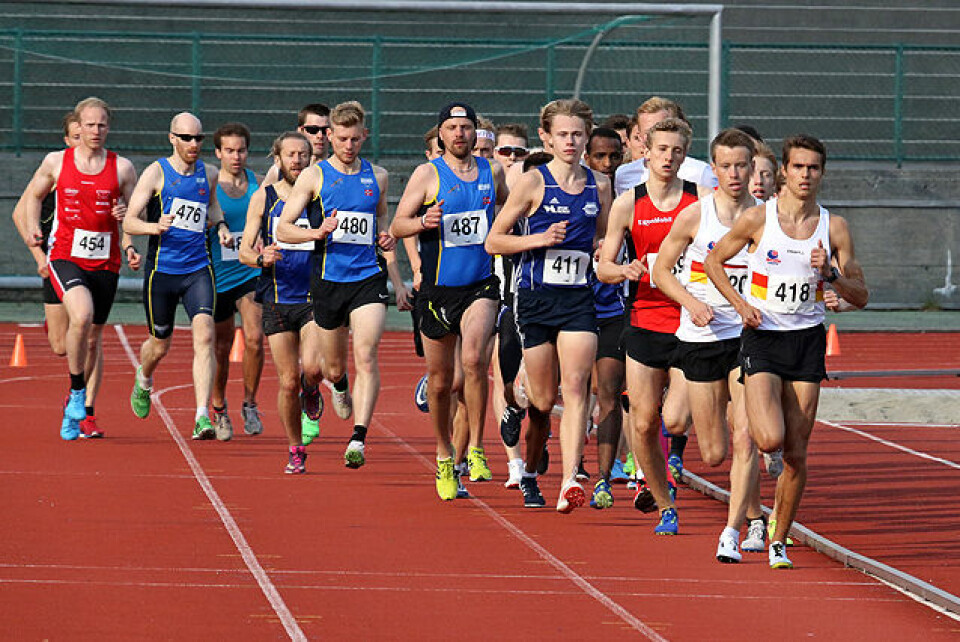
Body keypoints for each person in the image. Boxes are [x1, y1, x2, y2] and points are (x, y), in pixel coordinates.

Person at [704, 134, 868, 568]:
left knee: (796, 453)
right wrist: (741, 305)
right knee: (770, 438)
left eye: (813, 168)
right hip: (763, 336)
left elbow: (861, 294)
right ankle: (746, 516)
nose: (806, 175)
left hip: (806, 339)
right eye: (798, 167)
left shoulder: (834, 228)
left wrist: (831, 275)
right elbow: (713, 262)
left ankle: (778, 538)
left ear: (822, 174)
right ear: (784, 171)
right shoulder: (759, 220)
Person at [486, 98, 612, 513]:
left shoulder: (600, 185)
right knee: (542, 400)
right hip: (535, 299)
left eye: (578, 134)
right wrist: (538, 239)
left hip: (578, 299)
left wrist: (610, 259)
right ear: (546, 137)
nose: (571, 141)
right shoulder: (533, 183)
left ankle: (570, 476)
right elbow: (494, 240)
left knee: (576, 389)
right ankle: (516, 398)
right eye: (562, 134)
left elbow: (604, 239)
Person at [651, 128, 764, 561]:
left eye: (742, 165)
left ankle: (750, 524)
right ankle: (750, 510)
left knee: (746, 437)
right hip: (700, 337)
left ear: (753, 168)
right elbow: (661, 272)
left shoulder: (765, 216)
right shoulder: (696, 216)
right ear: (713, 169)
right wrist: (692, 303)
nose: (735, 174)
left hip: (746, 338)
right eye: (726, 166)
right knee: (715, 451)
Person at [277, 100, 407, 469]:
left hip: (367, 278)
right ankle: (339, 384)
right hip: (328, 280)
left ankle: (358, 438)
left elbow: (382, 224)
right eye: (342, 138)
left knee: (366, 352)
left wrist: (387, 245)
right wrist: (317, 231)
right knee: (332, 367)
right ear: (330, 136)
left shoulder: (377, 176)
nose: (349, 146)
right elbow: (284, 227)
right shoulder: (313, 177)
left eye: (355, 139)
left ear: (365, 136)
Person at [598, 117, 712, 534]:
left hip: (689, 322)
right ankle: (665, 503)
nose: (668, 157)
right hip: (645, 319)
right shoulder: (629, 203)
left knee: (677, 420)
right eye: (661, 149)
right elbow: (604, 265)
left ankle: (668, 466)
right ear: (645, 150)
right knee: (644, 422)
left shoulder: (701, 201)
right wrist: (621, 268)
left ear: (686, 155)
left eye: (677, 151)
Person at [391, 101, 506, 501]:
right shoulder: (427, 174)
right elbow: (397, 224)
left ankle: (474, 447)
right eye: (452, 127)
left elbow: (509, 209)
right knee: (441, 383)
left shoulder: (493, 172)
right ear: (441, 134)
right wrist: (423, 222)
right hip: (439, 290)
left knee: (474, 361)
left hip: (481, 284)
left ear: (476, 133)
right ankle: (443, 454)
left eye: (466, 127)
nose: (460, 134)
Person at [18, 97, 139, 440]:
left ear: (108, 127)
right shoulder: (57, 161)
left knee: (94, 335)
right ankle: (76, 394)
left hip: (106, 260)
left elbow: (132, 214)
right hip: (64, 256)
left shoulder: (123, 168)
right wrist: (32, 230)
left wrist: (128, 236)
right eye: (89, 124)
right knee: (81, 316)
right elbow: (33, 197)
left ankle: (82, 411)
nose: (96, 131)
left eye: (102, 125)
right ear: (78, 126)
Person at [124, 111, 233, 439]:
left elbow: (212, 207)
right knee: (160, 344)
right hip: (163, 272)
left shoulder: (209, 174)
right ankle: (143, 378)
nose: (193, 144)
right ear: (172, 138)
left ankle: (202, 416)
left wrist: (223, 225)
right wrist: (152, 226)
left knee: (205, 336)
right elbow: (129, 220)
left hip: (199, 269)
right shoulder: (156, 173)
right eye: (186, 138)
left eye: (198, 138)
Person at [239, 131, 325, 473]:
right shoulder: (265, 197)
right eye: (290, 155)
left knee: (315, 369)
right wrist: (261, 259)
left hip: (314, 296)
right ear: (278, 159)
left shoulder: (318, 196)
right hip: (277, 296)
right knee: (287, 380)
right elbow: (245, 250)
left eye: (303, 155)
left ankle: (312, 389)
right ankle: (295, 447)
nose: (297, 161)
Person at [208, 122, 264, 440]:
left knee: (255, 338)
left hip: (250, 271)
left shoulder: (257, 183)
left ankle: (250, 403)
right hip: (218, 275)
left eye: (241, 149)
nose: (236, 156)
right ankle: (218, 407)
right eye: (229, 150)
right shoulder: (210, 185)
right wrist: (216, 228)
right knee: (221, 346)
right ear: (218, 153)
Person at [581, 127, 626, 509]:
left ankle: (603, 479)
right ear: (586, 158)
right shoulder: (572, 194)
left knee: (609, 392)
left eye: (614, 157)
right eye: (599, 157)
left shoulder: (632, 201)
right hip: (570, 308)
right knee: (564, 393)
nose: (607, 164)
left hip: (613, 309)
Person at [613, 96, 717, 196]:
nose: (657, 136)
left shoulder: (701, 174)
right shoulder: (624, 174)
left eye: (662, 129)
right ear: (639, 136)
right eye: (648, 132)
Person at [264, 103, 330, 184]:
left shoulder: (339, 168)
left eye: (325, 131)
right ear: (300, 131)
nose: (320, 136)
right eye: (312, 130)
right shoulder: (279, 170)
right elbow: (262, 195)